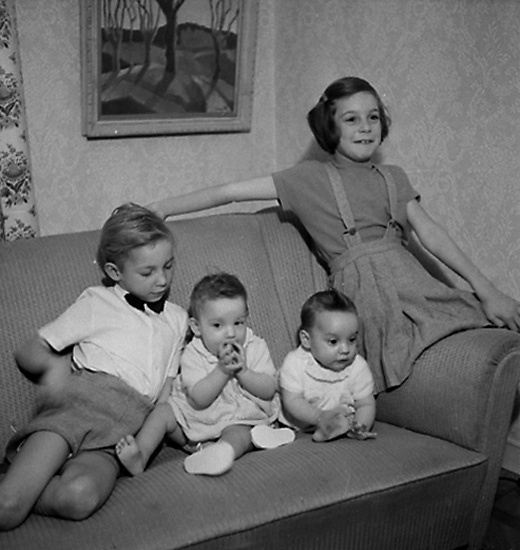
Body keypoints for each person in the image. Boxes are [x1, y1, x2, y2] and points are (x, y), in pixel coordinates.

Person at [147, 75, 520, 392]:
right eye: (351, 119)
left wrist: (488, 290)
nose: (365, 127)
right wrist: (163, 207)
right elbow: (229, 191)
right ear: (330, 127)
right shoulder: (308, 179)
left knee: (483, 316)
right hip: (363, 296)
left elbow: (431, 234)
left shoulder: (394, 177)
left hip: (412, 284)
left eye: (373, 117)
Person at [0, 203, 188, 531]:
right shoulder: (97, 302)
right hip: (74, 412)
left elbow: (165, 392)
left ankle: (22, 484)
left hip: (116, 440)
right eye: (147, 272)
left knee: (78, 498)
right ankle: (17, 491)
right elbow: (28, 350)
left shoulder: (177, 318)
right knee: (8, 509)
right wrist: (52, 367)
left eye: (168, 266)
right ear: (115, 272)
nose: (162, 280)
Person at [116, 272, 293, 477]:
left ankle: (222, 451)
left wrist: (243, 371)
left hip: (237, 418)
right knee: (162, 413)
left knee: (239, 432)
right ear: (196, 327)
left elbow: (269, 390)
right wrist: (222, 371)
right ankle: (140, 455)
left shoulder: (254, 346)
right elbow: (199, 399)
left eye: (238, 323)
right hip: (195, 422)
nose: (231, 333)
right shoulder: (193, 353)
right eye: (218, 325)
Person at [279, 289, 376, 443]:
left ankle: (337, 428)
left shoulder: (357, 367)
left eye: (351, 339)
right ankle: (326, 428)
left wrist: (361, 426)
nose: (345, 349)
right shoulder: (295, 363)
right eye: (333, 341)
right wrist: (319, 417)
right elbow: (292, 401)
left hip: (343, 420)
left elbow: (366, 403)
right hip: (301, 423)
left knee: (346, 419)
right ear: (306, 340)